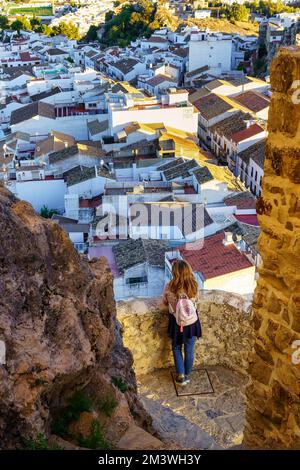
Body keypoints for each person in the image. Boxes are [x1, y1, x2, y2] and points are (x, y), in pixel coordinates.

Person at [163, 260, 202, 386]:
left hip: (177, 323)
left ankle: (181, 375)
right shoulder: (194, 286)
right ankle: (187, 373)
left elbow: (164, 302)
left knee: (176, 347)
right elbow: (197, 301)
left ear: (175, 273)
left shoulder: (170, 287)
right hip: (192, 323)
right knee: (190, 349)